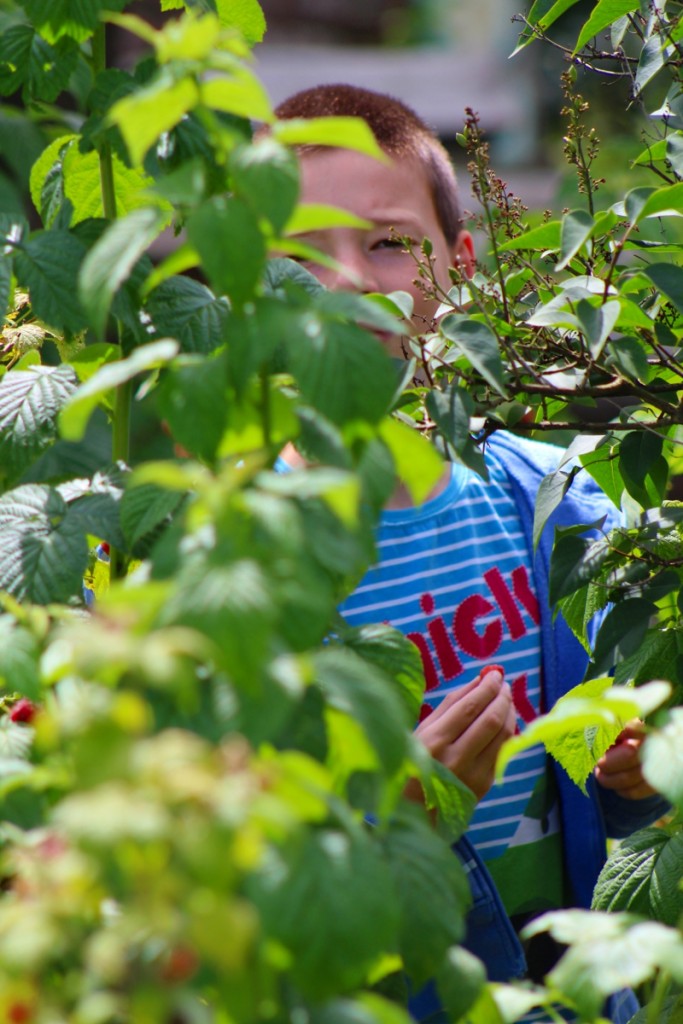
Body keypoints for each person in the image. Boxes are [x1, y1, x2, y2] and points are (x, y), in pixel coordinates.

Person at [272, 84, 667, 1024]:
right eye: (298, 255)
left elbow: (625, 794)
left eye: (388, 242)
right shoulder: (240, 561)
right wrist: (385, 818)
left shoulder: (554, 503)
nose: (349, 283)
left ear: (457, 264)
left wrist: (636, 776)